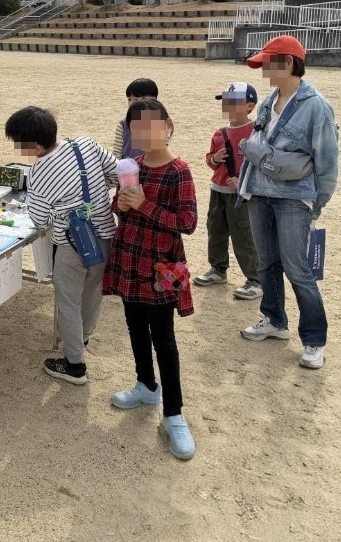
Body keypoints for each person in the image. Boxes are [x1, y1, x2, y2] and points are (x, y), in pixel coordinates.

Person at [103, 98, 198, 461]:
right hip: (130, 258)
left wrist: (143, 204)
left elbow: (186, 223)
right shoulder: (133, 166)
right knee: (135, 327)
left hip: (160, 268)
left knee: (164, 339)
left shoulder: (178, 171)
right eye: (136, 127)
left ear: (168, 125)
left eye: (150, 125)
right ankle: (146, 384)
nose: (143, 133)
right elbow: (120, 206)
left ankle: (173, 414)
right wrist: (122, 204)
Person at [236, 35, 338, 370]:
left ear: (289, 63)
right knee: (266, 262)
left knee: (297, 269)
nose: (264, 70)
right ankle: (274, 320)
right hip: (259, 193)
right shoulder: (269, 101)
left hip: (294, 198)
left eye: (269, 63)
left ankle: (314, 339)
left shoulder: (316, 105)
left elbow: (327, 161)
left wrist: (316, 204)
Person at [5, 106, 117, 385]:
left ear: (36, 146)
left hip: (72, 244)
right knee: (93, 292)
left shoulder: (39, 172)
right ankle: (83, 337)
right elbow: (116, 173)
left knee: (68, 301)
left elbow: (39, 220)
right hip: (105, 233)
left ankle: (74, 365)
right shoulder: (84, 144)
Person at [193, 82, 262, 300]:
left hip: (242, 195)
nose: (228, 107)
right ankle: (218, 268)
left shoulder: (256, 132)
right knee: (216, 230)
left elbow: (261, 164)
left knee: (243, 236)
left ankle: (256, 279)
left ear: (250, 106)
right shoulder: (219, 133)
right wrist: (214, 159)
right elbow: (209, 160)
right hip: (218, 190)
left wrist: (242, 182)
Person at [110, 78, 159, 159]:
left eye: (136, 99)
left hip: (151, 164)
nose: (131, 103)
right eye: (129, 99)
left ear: (153, 100)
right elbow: (117, 151)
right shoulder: (123, 123)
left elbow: (161, 152)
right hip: (127, 164)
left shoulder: (159, 123)